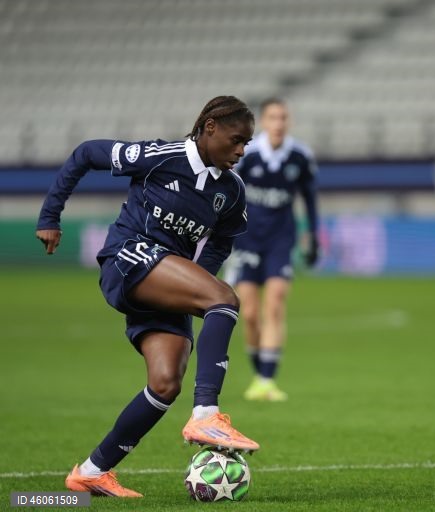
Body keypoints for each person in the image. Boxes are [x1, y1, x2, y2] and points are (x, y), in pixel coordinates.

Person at [36, 96, 261, 498]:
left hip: (163, 277)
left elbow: (219, 245)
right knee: (224, 299)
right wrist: (50, 215)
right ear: (210, 127)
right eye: (236, 139)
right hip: (128, 258)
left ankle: (91, 472)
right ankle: (207, 413)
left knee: (165, 383)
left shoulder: (231, 192)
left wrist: (193, 285)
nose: (242, 150)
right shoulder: (159, 156)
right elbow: (86, 153)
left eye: (247, 143)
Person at [223, 97, 319, 402]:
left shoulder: (300, 156)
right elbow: (227, 193)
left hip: (281, 240)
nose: (279, 123)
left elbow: (310, 198)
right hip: (247, 239)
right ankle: (259, 373)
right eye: (273, 117)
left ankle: (266, 379)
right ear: (263, 122)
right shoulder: (247, 155)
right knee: (249, 313)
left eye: (284, 118)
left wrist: (313, 237)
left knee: (275, 304)